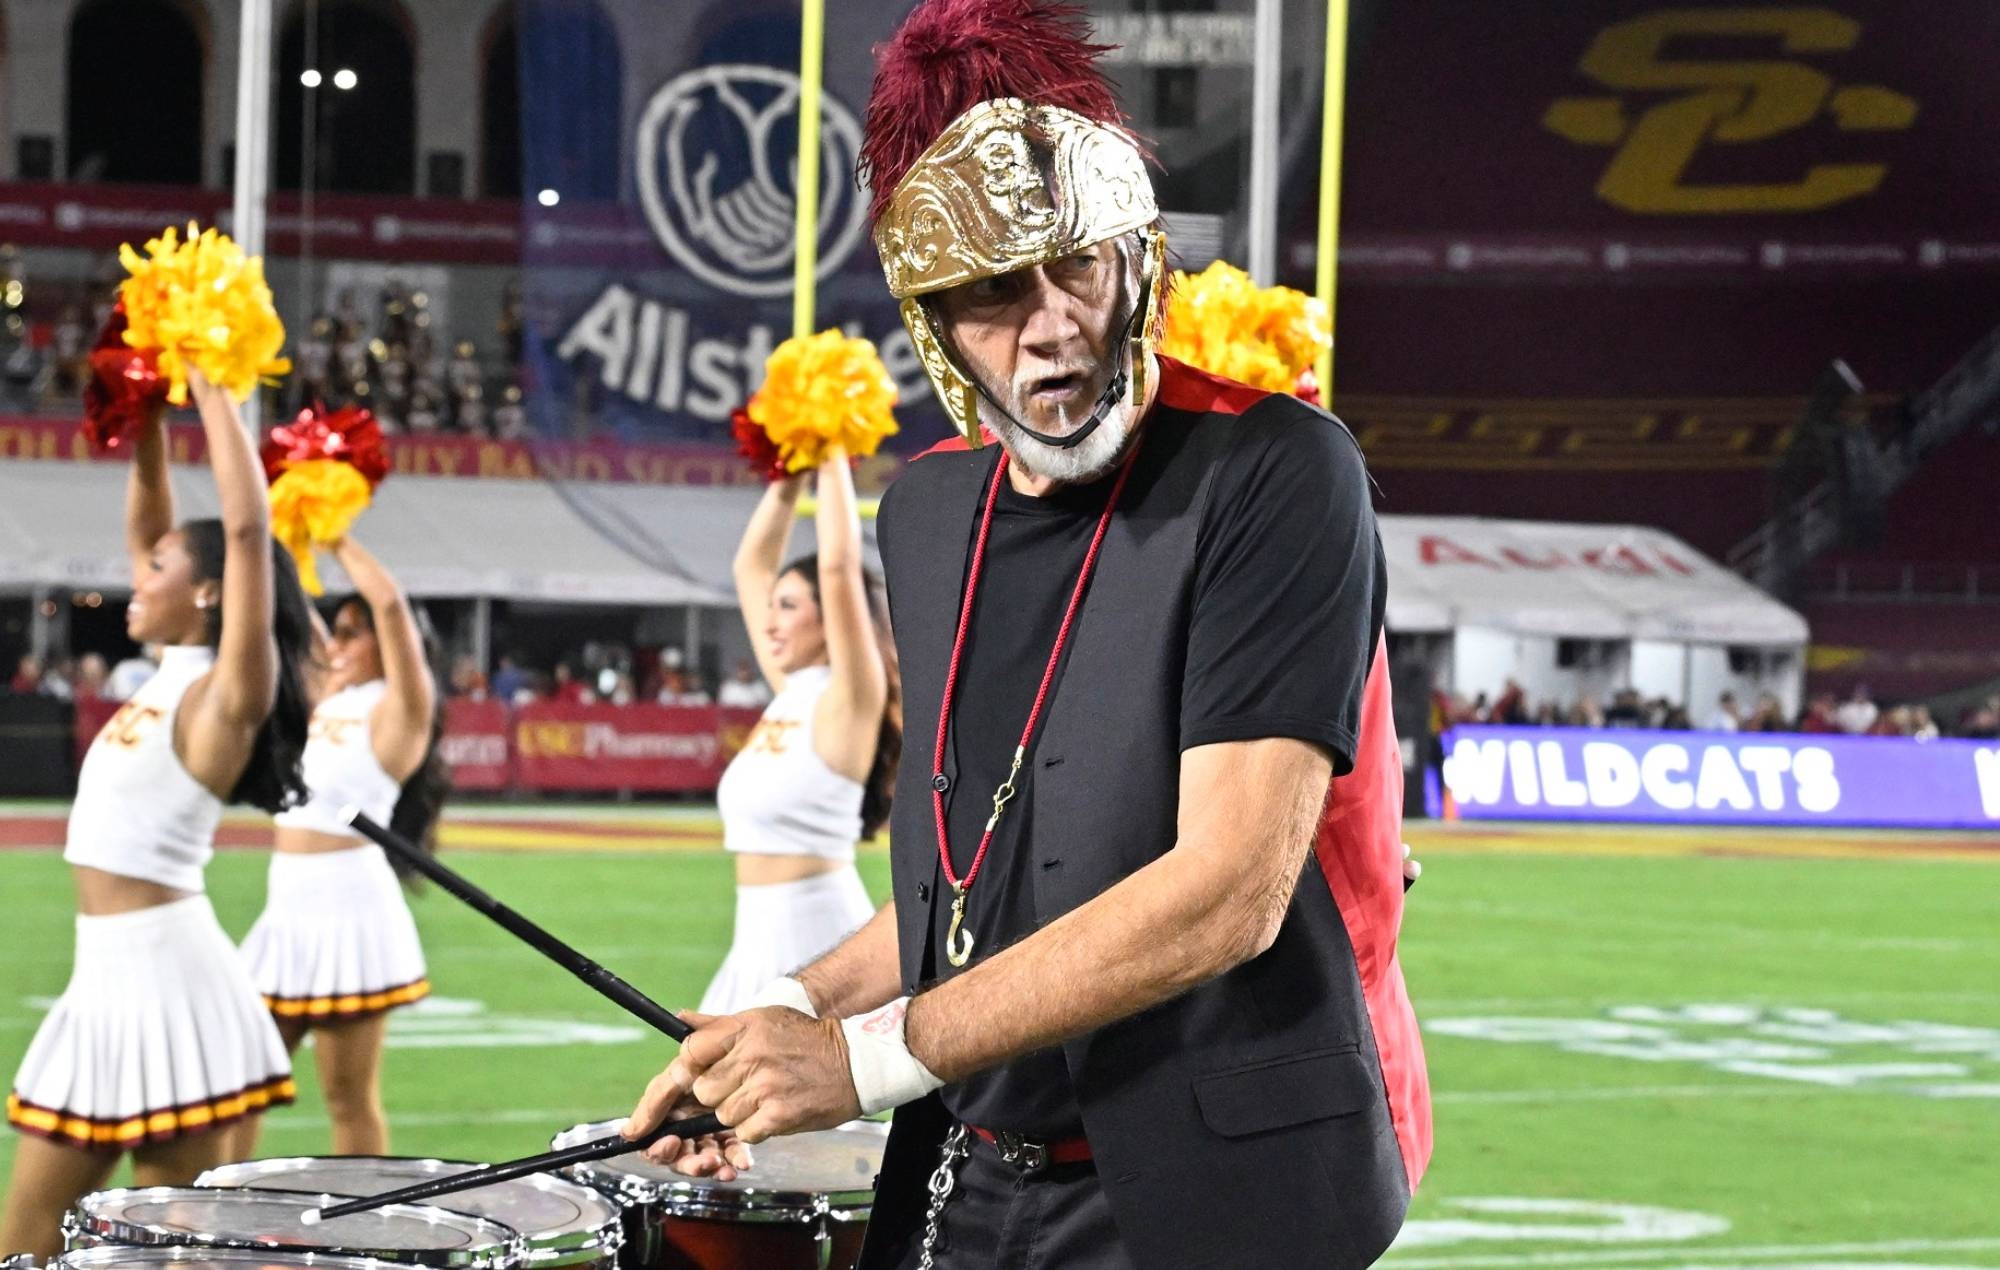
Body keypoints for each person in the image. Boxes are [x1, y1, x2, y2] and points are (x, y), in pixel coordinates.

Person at [622, 5, 1430, 1266]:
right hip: (968, 1159)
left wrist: (859, 1057)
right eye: (995, 292)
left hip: (1215, 1187)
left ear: (1136, 263)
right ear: (934, 324)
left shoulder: (1275, 469)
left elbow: (1227, 891)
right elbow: (973, 884)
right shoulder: (931, 509)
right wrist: (782, 1016)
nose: (1052, 323)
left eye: (1080, 267)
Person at [1, 372, 312, 1262]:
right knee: (26, 1240)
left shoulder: (226, 693)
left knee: (171, 1249)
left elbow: (247, 532)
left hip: (173, 990)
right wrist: (144, 413)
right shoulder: (168, 665)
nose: (137, 577)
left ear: (212, 592)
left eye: (162, 569)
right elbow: (149, 521)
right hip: (102, 983)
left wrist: (214, 385)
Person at [233, 535, 446, 1158]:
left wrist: (336, 537)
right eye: (338, 632)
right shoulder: (323, 699)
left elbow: (391, 606)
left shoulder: (399, 708)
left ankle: (362, 1230)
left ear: (387, 643)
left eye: (355, 631)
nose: (339, 643)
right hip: (287, 912)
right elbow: (296, 624)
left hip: (350, 914)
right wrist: (288, 544)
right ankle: (217, 1206)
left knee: (347, 1098)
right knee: (241, 1082)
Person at [696, 446, 899, 1015]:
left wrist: (832, 448)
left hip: (816, 940)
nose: (769, 622)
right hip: (754, 940)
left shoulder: (851, 700)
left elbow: (836, 568)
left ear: (828, 618)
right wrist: (788, 468)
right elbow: (749, 569)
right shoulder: (793, 691)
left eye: (787, 607)